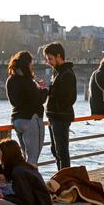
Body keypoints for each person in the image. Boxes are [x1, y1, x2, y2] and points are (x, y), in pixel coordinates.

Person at [0, 139, 58, 205]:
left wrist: (6, 198)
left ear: (6, 154)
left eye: (0, 151)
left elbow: (27, 202)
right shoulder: (24, 167)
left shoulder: (18, 172)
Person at [6, 51, 48, 165]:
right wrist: (44, 91)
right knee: (33, 157)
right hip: (31, 119)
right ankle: (31, 182)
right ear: (28, 64)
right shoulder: (27, 81)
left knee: (25, 155)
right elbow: (38, 100)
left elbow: (13, 101)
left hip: (17, 120)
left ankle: (25, 180)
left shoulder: (10, 80)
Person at [43, 42, 77, 170]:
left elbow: (69, 98)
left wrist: (51, 94)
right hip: (54, 116)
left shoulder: (67, 74)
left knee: (61, 150)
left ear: (58, 56)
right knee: (56, 150)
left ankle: (65, 178)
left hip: (60, 117)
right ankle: (62, 176)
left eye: (50, 59)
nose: (48, 62)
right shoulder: (57, 73)